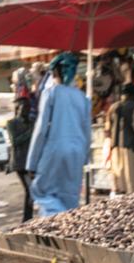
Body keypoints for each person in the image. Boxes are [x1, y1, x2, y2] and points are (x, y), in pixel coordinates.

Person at [25, 52, 92, 216]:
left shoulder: (51, 93)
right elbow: (87, 131)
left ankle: (51, 231)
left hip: (55, 149)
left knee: (43, 193)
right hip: (76, 153)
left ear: (54, 73)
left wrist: (32, 163)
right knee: (70, 200)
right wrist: (85, 158)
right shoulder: (84, 98)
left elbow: (41, 129)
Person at [106, 84, 134, 194]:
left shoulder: (113, 107)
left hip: (115, 149)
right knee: (132, 183)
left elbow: (108, 128)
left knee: (120, 182)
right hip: (131, 149)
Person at [5, 98, 35, 221]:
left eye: (27, 108)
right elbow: (14, 141)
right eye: (23, 108)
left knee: (33, 189)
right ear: (18, 109)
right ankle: (27, 219)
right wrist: (30, 132)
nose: (25, 111)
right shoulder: (11, 123)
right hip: (20, 162)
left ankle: (28, 217)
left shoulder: (32, 122)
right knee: (30, 189)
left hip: (31, 161)